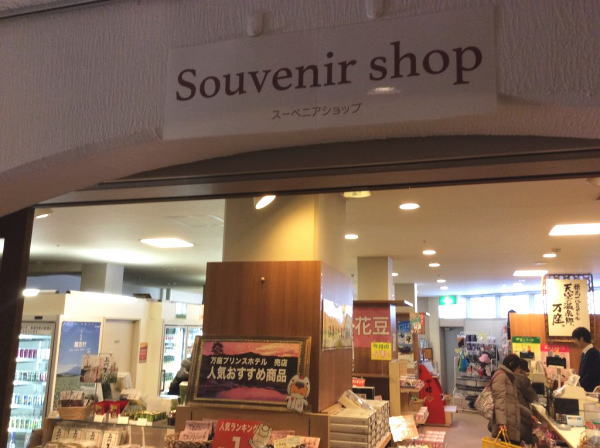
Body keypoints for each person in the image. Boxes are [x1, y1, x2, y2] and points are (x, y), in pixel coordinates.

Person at [489, 354, 522, 444]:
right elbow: (499, 400)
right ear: (512, 365)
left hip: (510, 419)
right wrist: (501, 423)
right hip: (505, 422)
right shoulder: (501, 376)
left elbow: (512, 400)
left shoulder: (509, 377)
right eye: (518, 368)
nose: (519, 371)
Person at [514, 359, 537, 444]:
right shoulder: (522, 379)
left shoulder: (507, 376)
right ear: (521, 370)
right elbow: (532, 397)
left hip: (510, 419)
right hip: (520, 419)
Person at [571, 327, 600, 392]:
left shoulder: (594, 353)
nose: (574, 342)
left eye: (575, 339)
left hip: (591, 392)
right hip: (584, 390)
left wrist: (579, 385)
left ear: (581, 339)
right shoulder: (585, 352)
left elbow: (591, 375)